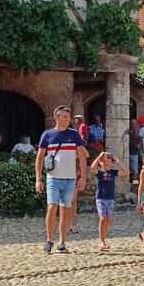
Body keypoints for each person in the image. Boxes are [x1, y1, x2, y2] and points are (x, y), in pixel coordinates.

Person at [35, 105, 86, 254]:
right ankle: (49, 240)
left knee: (66, 210)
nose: (66, 119)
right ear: (56, 117)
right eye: (63, 116)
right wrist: (38, 179)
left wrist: (82, 176)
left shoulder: (74, 135)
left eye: (67, 117)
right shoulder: (48, 135)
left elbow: (82, 156)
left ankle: (62, 242)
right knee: (52, 207)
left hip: (70, 179)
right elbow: (39, 157)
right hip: (53, 178)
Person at [89, 150, 120, 252]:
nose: (106, 163)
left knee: (108, 219)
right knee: (102, 218)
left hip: (110, 198)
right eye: (104, 161)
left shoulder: (113, 172)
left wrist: (118, 162)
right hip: (101, 198)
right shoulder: (100, 172)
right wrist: (99, 156)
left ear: (111, 162)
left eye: (108, 161)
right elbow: (92, 168)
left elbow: (126, 172)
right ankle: (101, 240)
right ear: (101, 162)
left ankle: (104, 239)